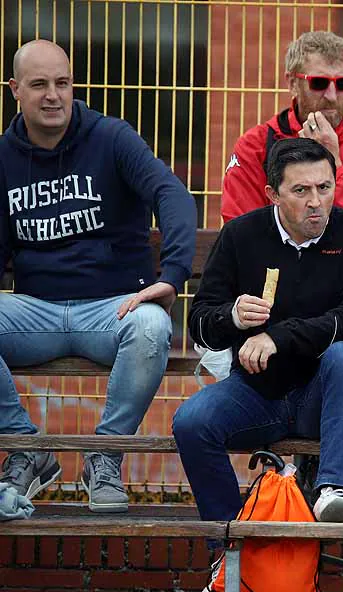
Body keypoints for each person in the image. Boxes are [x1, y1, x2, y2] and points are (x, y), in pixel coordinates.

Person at [0, 40, 196, 513]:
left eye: (63, 83)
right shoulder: (4, 157)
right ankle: (27, 448)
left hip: (113, 310)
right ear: (15, 91)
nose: (54, 95)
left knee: (152, 327)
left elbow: (171, 195)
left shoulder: (112, 139)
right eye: (40, 84)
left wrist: (171, 275)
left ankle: (105, 455)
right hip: (36, 313)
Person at [172, 138, 343, 522]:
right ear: (273, 194)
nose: (316, 201)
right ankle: (230, 543)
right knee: (190, 422)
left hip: (325, 399)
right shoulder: (241, 235)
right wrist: (233, 317)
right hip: (257, 392)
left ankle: (331, 489)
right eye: (301, 190)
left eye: (325, 187)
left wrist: (277, 336)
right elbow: (200, 322)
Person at [221, 31, 343, 257]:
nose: (331, 95)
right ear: (292, 83)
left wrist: (335, 166)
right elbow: (242, 239)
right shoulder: (256, 146)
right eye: (319, 83)